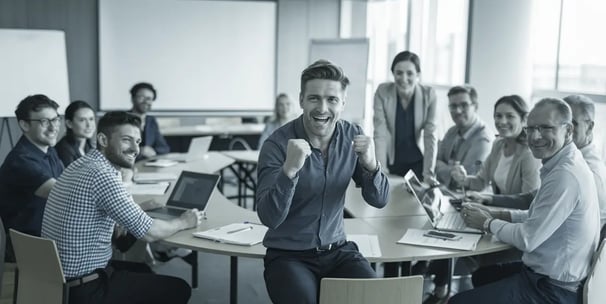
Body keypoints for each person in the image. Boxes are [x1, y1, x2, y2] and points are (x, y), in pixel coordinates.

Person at [256, 60, 390, 304]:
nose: (322, 108)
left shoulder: (353, 136)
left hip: (338, 250)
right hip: (289, 255)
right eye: (314, 98)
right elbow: (269, 217)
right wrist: (289, 171)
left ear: (343, 102)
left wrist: (372, 165)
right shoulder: (276, 145)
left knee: (376, 297)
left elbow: (379, 200)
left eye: (332, 99)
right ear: (301, 100)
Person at [449, 98, 600, 304]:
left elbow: (528, 239)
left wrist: (486, 223)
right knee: (481, 276)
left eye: (546, 128)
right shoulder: (563, 161)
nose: (535, 136)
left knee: (458, 301)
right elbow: (538, 215)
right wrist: (497, 214)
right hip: (547, 276)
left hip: (552, 290)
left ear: (568, 130)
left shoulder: (565, 175)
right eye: (531, 129)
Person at [41, 111, 201, 304]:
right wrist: (184, 221)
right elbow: (150, 233)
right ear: (103, 140)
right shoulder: (102, 175)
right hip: (85, 289)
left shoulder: (82, 164)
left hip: (59, 281)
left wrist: (137, 211)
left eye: (138, 141)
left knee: (143, 270)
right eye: (127, 140)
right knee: (178, 288)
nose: (135, 149)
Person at [468, 94, 606, 232]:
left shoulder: (580, 171)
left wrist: (488, 222)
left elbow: (531, 234)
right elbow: (536, 202)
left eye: (572, 123)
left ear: (588, 127)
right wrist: (490, 206)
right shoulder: (561, 158)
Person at [0, 94, 64, 262]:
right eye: (44, 122)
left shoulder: (49, 150)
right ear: (24, 124)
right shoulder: (21, 161)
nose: (53, 127)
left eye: (56, 119)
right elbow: (64, 194)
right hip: (29, 245)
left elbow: (69, 183)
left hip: (49, 235)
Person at [451, 95, 541, 196]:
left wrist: (491, 201)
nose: (502, 122)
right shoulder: (498, 145)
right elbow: (480, 182)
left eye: (510, 116)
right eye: (498, 116)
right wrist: (463, 178)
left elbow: (528, 201)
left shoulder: (530, 154)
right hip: (498, 209)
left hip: (514, 211)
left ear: (524, 120)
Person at [373, 50, 438, 184]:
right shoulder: (383, 92)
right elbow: (380, 133)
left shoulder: (429, 95)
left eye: (409, 73)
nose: (403, 78)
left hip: (418, 162)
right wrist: (381, 170)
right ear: (393, 73)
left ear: (418, 74)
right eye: (399, 73)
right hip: (391, 160)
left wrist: (429, 174)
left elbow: (430, 135)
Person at [435, 85, 493, 190]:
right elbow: (434, 162)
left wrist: (443, 169)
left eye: (464, 105)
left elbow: (464, 180)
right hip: (447, 193)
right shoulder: (452, 131)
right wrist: (451, 171)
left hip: (469, 199)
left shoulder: (483, 139)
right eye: (453, 106)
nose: (458, 111)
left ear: (475, 106)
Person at [129, 82, 170, 160]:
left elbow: (164, 148)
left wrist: (153, 150)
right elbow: (116, 149)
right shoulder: (122, 120)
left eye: (149, 99)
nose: (146, 101)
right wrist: (140, 151)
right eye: (141, 97)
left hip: (147, 165)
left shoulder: (151, 121)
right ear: (132, 98)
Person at [55, 100, 96, 167]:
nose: (89, 125)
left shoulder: (90, 146)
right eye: (82, 120)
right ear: (69, 123)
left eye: (91, 119)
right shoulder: (63, 150)